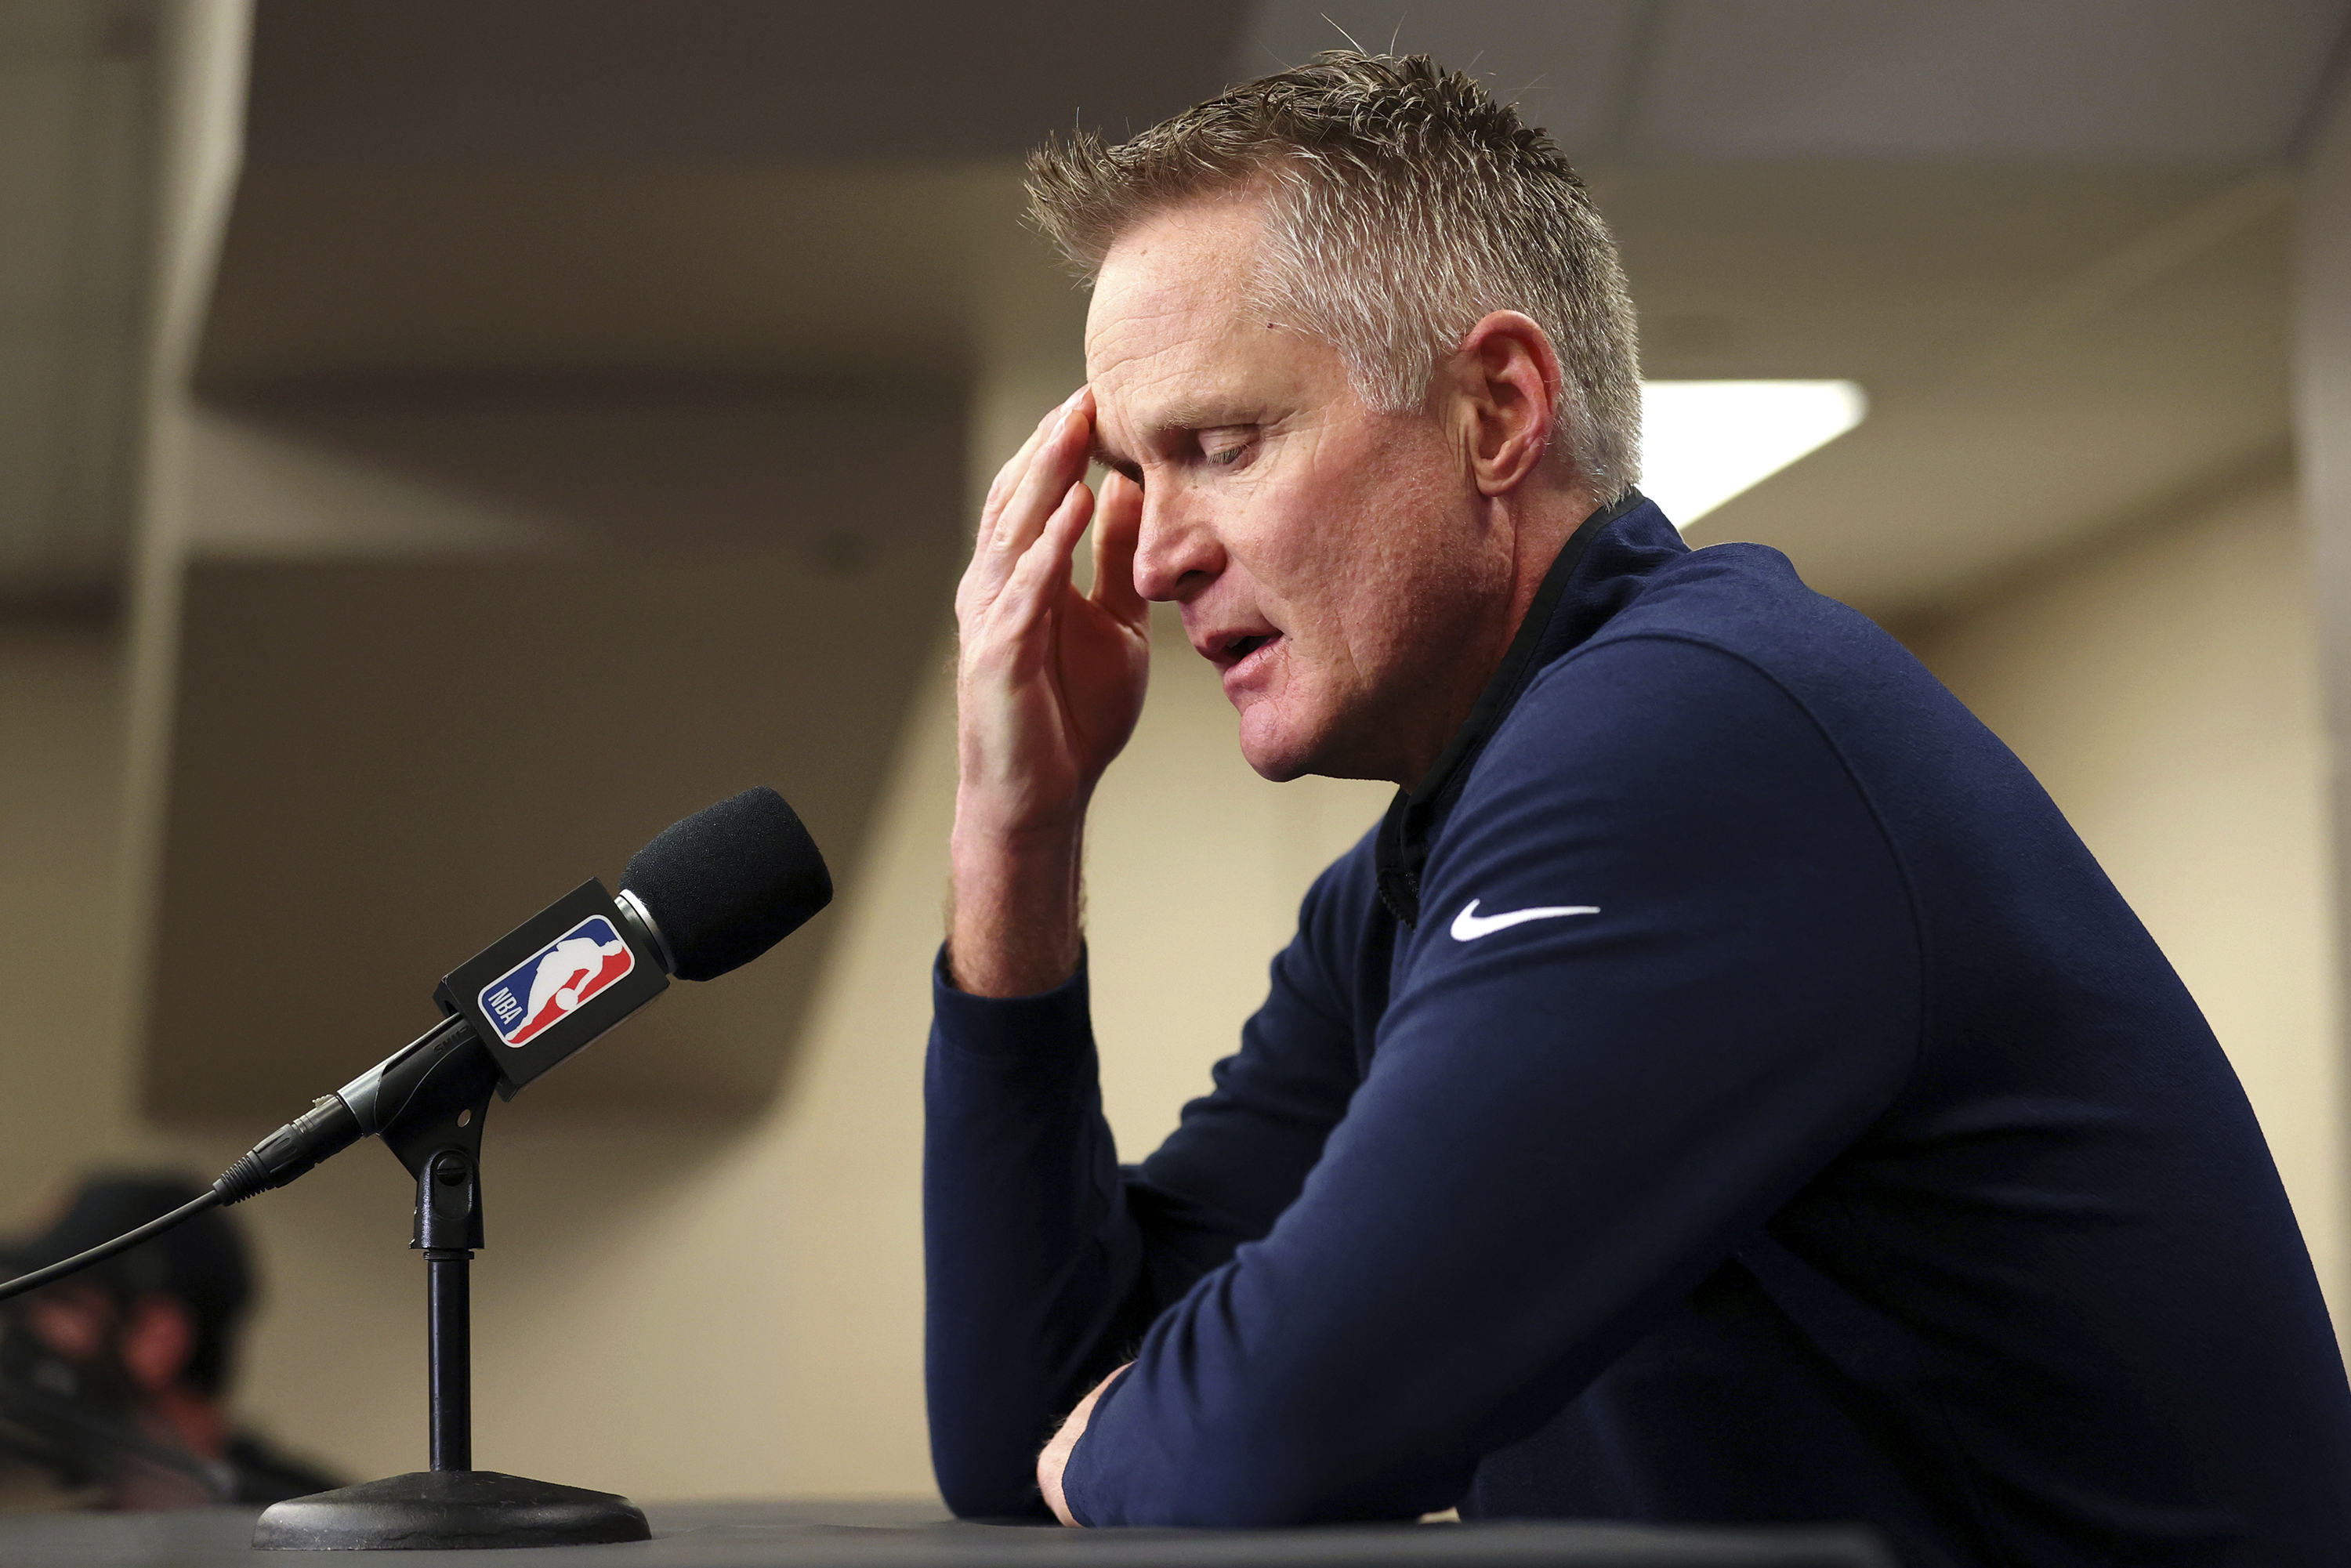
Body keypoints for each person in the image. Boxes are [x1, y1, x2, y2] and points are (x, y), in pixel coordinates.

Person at [923, 50, 2351, 1563]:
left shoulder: (1698, 735)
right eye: (1138, 476)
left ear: (1497, 411)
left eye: (1221, 445)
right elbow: (1028, 1427)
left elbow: (1268, 1432)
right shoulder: (1416, 872)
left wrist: (1167, 1421)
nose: (1150, 561)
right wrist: (1018, 829)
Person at [0, 1174, 339, 1510]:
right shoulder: (48, 1513)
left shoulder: (323, 1528)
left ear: (160, 1337)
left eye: (60, 1301)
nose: (24, 1323)